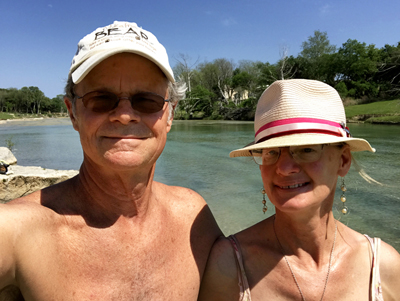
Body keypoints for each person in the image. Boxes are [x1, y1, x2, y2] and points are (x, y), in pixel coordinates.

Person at [0, 21, 221, 300]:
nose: (125, 115)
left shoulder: (194, 218)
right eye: (101, 99)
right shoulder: (18, 232)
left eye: (147, 100)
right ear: (73, 113)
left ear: (170, 115)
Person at [198, 79, 400, 300]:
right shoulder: (228, 265)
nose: (284, 168)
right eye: (271, 152)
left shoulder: (382, 267)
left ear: (343, 161)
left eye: (306, 149)